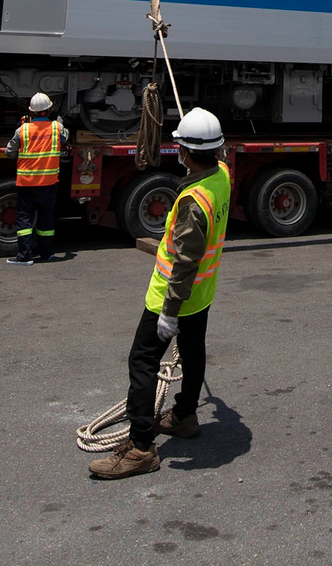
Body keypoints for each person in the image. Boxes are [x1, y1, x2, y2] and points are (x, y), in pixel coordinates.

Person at [88, 107, 232, 480]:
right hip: (201, 295)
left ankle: (139, 448)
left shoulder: (192, 203)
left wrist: (169, 311)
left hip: (171, 297)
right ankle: (185, 416)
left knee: (142, 362)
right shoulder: (223, 178)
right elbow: (216, 156)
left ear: (184, 153)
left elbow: (184, 261)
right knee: (193, 350)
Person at [4, 92, 67, 265]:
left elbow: (9, 152)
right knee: (46, 218)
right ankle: (47, 254)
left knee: (24, 218)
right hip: (49, 183)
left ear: (30, 112)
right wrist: (59, 122)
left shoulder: (22, 130)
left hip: (27, 183)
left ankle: (25, 256)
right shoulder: (57, 128)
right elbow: (65, 137)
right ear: (49, 110)